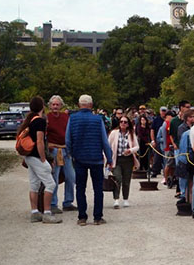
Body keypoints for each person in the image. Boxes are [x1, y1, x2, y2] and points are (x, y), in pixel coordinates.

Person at [66, 94, 113, 226]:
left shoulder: (72, 119)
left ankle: (82, 217)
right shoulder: (97, 119)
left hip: (79, 158)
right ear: (91, 105)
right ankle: (97, 217)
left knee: (80, 187)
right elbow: (104, 141)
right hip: (96, 158)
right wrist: (109, 158)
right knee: (98, 188)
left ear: (79, 105)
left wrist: (70, 154)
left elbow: (68, 140)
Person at [18, 96, 61, 224]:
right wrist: (44, 159)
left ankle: (34, 212)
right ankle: (47, 212)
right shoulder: (40, 121)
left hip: (29, 156)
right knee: (50, 183)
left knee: (34, 184)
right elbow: (40, 141)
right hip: (36, 156)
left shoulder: (30, 120)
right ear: (42, 106)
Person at [45, 95, 76, 213]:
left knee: (71, 177)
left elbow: (70, 131)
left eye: (57, 104)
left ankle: (68, 202)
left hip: (66, 150)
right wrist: (48, 146)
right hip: (54, 151)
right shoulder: (47, 118)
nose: (55, 106)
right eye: (53, 104)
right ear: (50, 106)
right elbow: (44, 135)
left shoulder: (65, 117)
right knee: (54, 178)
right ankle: (53, 203)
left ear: (61, 106)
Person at [108, 113, 140, 209]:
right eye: (121, 121)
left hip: (128, 159)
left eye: (125, 122)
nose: (123, 123)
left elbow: (137, 146)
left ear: (128, 124)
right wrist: (107, 159)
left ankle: (125, 199)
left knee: (126, 180)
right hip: (116, 159)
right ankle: (116, 199)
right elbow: (108, 145)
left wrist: (130, 150)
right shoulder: (114, 133)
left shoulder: (131, 134)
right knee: (117, 178)